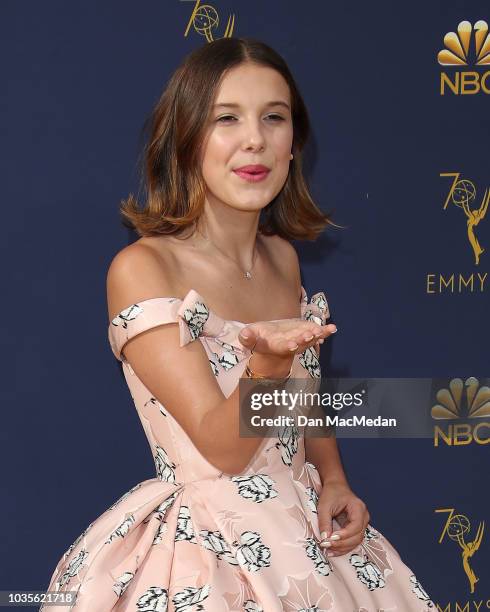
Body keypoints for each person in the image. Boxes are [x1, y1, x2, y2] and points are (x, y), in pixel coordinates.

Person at [40, 37, 434, 611]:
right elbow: (222, 447)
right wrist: (267, 362)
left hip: (308, 545)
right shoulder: (143, 268)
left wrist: (334, 478)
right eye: (227, 118)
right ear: (187, 138)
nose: (255, 139)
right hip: (208, 557)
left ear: (294, 143)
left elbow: (303, 397)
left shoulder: (283, 259)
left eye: (274, 118)